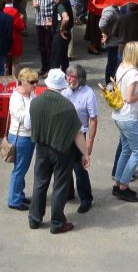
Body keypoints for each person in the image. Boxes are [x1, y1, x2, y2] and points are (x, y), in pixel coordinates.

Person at [26, 80, 91, 234]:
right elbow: (77, 133)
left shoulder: (35, 102)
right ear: (62, 87)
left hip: (42, 148)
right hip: (62, 151)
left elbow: (29, 125)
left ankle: (34, 218)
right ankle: (57, 223)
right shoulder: (67, 106)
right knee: (60, 186)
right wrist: (85, 153)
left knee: (40, 183)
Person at [60, 64, 99, 214]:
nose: (69, 79)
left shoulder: (88, 93)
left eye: (72, 76)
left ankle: (86, 199)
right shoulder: (64, 91)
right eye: (67, 76)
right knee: (64, 166)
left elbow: (93, 119)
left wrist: (89, 142)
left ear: (80, 78)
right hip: (65, 133)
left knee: (79, 168)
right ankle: (69, 193)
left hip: (79, 134)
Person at [112, 41, 138, 202]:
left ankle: (118, 182)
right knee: (137, 152)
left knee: (126, 149)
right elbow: (129, 97)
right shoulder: (133, 73)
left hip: (119, 115)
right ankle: (123, 186)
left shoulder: (122, 67)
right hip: (128, 116)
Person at [5, 68, 38, 211]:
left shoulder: (30, 95)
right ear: (23, 82)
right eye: (32, 82)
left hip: (28, 138)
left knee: (22, 169)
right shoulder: (17, 98)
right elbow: (28, 122)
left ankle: (19, 194)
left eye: (36, 81)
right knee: (19, 170)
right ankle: (14, 200)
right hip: (21, 138)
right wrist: (32, 104)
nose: (35, 85)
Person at [32, 0, 54, 75]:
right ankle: (44, 67)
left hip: (49, 21)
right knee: (41, 46)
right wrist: (34, 2)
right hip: (39, 20)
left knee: (49, 45)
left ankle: (50, 69)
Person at [51, 0, 74, 73]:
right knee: (64, 57)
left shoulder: (61, 5)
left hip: (60, 35)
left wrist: (61, 28)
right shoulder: (67, 3)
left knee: (55, 57)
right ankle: (65, 75)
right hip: (67, 33)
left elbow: (66, 18)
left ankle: (54, 78)